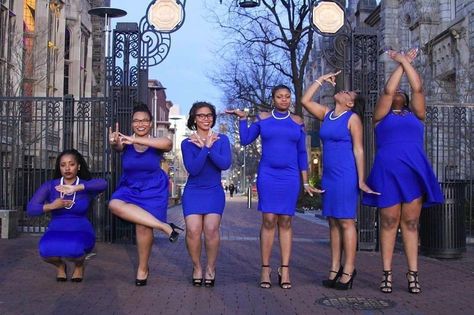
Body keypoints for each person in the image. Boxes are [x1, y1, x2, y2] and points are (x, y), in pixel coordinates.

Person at [362, 49, 444, 294]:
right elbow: (388, 90)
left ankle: (413, 273)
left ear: (407, 100)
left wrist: (405, 62)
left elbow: (417, 87)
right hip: (387, 172)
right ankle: (386, 273)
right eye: (396, 91)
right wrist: (401, 63)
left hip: (413, 171)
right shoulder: (381, 117)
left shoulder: (416, 115)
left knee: (410, 223)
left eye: (402, 92)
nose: (398, 92)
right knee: (388, 222)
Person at [227, 85, 321, 290]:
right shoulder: (262, 119)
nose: (284, 100)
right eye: (280, 97)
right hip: (268, 175)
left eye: (287, 97)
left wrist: (305, 182)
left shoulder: (297, 121)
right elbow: (245, 139)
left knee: (286, 221)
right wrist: (243, 119)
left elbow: (302, 154)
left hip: (289, 176)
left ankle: (285, 269)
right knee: (269, 219)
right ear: (273, 99)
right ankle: (265, 268)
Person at [301, 71, 379, 290]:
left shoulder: (352, 118)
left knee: (346, 221)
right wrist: (320, 80)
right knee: (332, 222)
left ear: (350, 102)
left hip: (346, 174)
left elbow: (359, 149)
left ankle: (348, 270)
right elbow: (304, 100)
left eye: (347, 92)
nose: (342, 91)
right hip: (329, 176)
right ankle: (334, 268)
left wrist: (361, 180)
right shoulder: (326, 114)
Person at [108, 103, 183, 286]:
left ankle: (143, 268)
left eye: (144, 121)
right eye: (136, 121)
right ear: (132, 123)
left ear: (150, 123)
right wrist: (115, 141)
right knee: (114, 204)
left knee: (142, 227)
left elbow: (168, 144)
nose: (140, 124)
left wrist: (136, 140)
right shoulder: (125, 141)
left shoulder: (157, 142)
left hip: (153, 188)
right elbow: (118, 146)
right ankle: (164, 227)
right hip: (130, 187)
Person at [27, 149, 107, 282]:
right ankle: (60, 265)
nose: (67, 168)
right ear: (59, 167)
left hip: (81, 228)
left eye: (71, 164)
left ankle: (79, 265)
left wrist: (76, 188)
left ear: (78, 166)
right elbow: (31, 209)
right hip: (56, 227)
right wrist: (52, 206)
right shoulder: (50, 186)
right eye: (63, 165)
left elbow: (103, 183)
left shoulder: (84, 186)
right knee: (45, 251)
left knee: (75, 249)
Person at [181, 101, 232, 287]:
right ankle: (197, 267)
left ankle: (211, 267)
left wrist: (208, 148)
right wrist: (204, 148)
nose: (205, 119)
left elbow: (224, 164)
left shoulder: (222, 140)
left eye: (209, 115)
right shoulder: (187, 143)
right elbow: (193, 169)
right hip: (194, 191)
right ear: (194, 118)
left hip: (213, 191)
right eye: (201, 115)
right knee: (193, 230)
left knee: (211, 230)